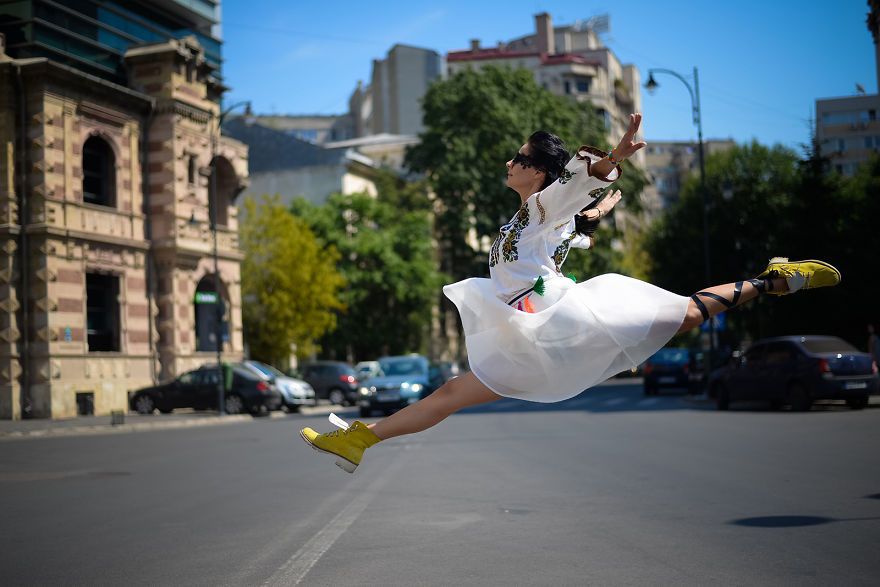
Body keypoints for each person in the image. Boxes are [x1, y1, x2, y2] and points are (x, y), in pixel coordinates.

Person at [301, 114, 841, 473]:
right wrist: (596, 214)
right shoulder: (533, 221)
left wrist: (611, 160)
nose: (509, 164)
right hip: (524, 333)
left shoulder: (542, 207)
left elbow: (580, 185)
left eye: (518, 158)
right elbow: (574, 225)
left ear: (536, 171)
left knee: (685, 314)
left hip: (560, 320)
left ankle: (774, 279)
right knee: (447, 395)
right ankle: (359, 441)